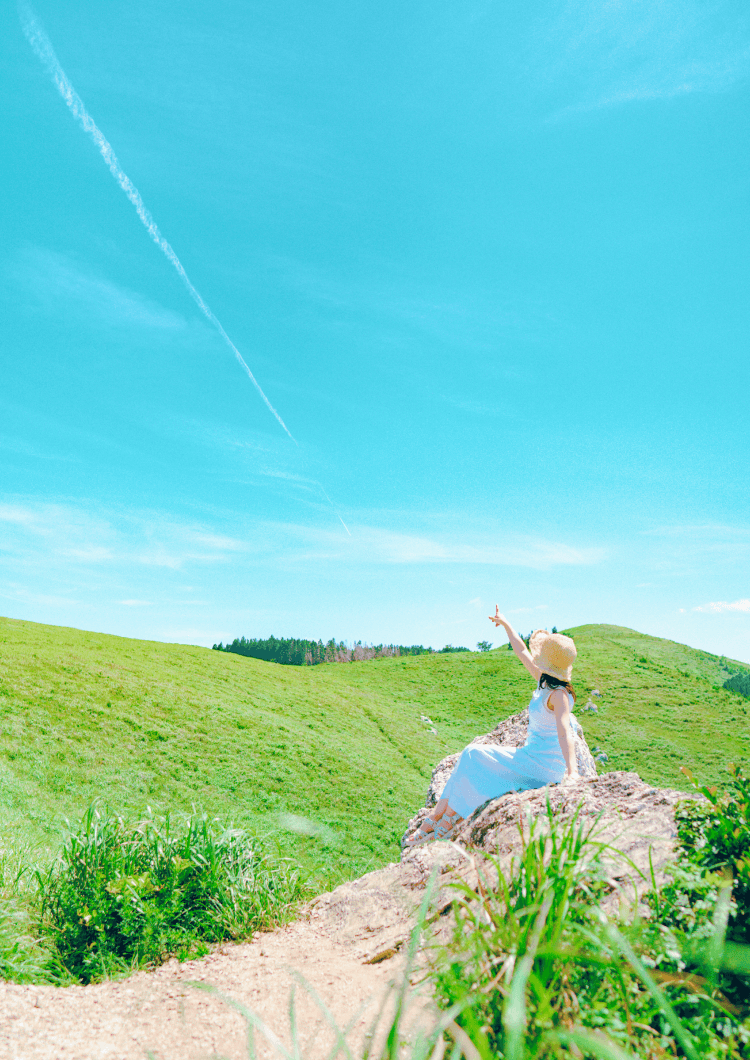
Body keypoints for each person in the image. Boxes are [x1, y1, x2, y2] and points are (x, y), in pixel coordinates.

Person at [403, 607, 580, 848]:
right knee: (470, 755)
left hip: (543, 765)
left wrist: (572, 773)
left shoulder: (559, 695)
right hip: (531, 756)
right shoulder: (545, 681)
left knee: (474, 755)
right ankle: (437, 816)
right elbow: (521, 651)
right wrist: (506, 624)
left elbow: (564, 732)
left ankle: (447, 822)